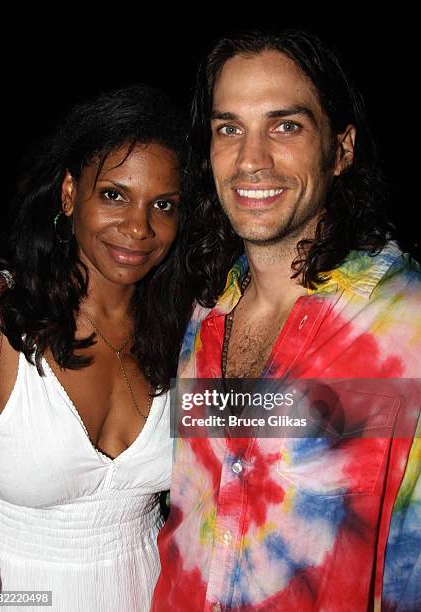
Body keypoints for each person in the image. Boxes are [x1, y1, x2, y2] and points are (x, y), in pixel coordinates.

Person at [151, 29, 421, 611]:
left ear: (341, 149)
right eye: (229, 128)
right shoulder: (204, 313)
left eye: (285, 126)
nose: (251, 160)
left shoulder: (408, 325)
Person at [0, 84, 192, 611]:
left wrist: (392, 404)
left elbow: (308, 419)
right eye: (114, 194)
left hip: (156, 595)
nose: (138, 227)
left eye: (163, 204)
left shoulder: (189, 333)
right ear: (68, 194)